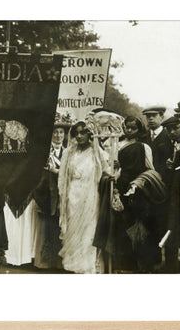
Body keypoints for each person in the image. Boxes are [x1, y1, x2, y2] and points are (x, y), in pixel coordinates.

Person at [112, 116, 165, 273]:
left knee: (140, 227)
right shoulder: (119, 144)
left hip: (138, 191)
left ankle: (144, 264)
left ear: (139, 129)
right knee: (123, 225)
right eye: (127, 127)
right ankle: (126, 264)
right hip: (121, 188)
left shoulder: (144, 147)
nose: (129, 130)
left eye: (132, 128)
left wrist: (139, 184)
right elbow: (115, 169)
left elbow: (150, 169)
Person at [58, 120, 110, 273]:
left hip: (90, 196)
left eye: (83, 133)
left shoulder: (97, 152)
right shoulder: (69, 153)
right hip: (72, 196)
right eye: (77, 133)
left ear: (89, 134)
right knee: (73, 229)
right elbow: (62, 177)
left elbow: (106, 171)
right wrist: (63, 195)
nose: (79, 136)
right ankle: (74, 265)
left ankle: (87, 265)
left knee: (89, 229)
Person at [32, 114, 71, 270]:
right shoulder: (43, 153)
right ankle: (45, 263)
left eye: (61, 132)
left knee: (62, 228)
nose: (58, 135)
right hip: (46, 195)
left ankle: (61, 263)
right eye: (55, 132)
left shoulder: (68, 152)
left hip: (64, 195)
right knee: (46, 229)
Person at [162, 115, 180, 273]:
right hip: (174, 193)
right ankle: (171, 266)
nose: (173, 132)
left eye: (176, 128)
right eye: (170, 130)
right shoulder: (172, 145)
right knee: (172, 227)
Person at [142, 106, 174, 184]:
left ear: (161, 117)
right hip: (144, 180)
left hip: (164, 181)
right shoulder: (142, 137)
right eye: (148, 116)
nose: (151, 119)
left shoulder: (169, 137)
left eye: (154, 115)